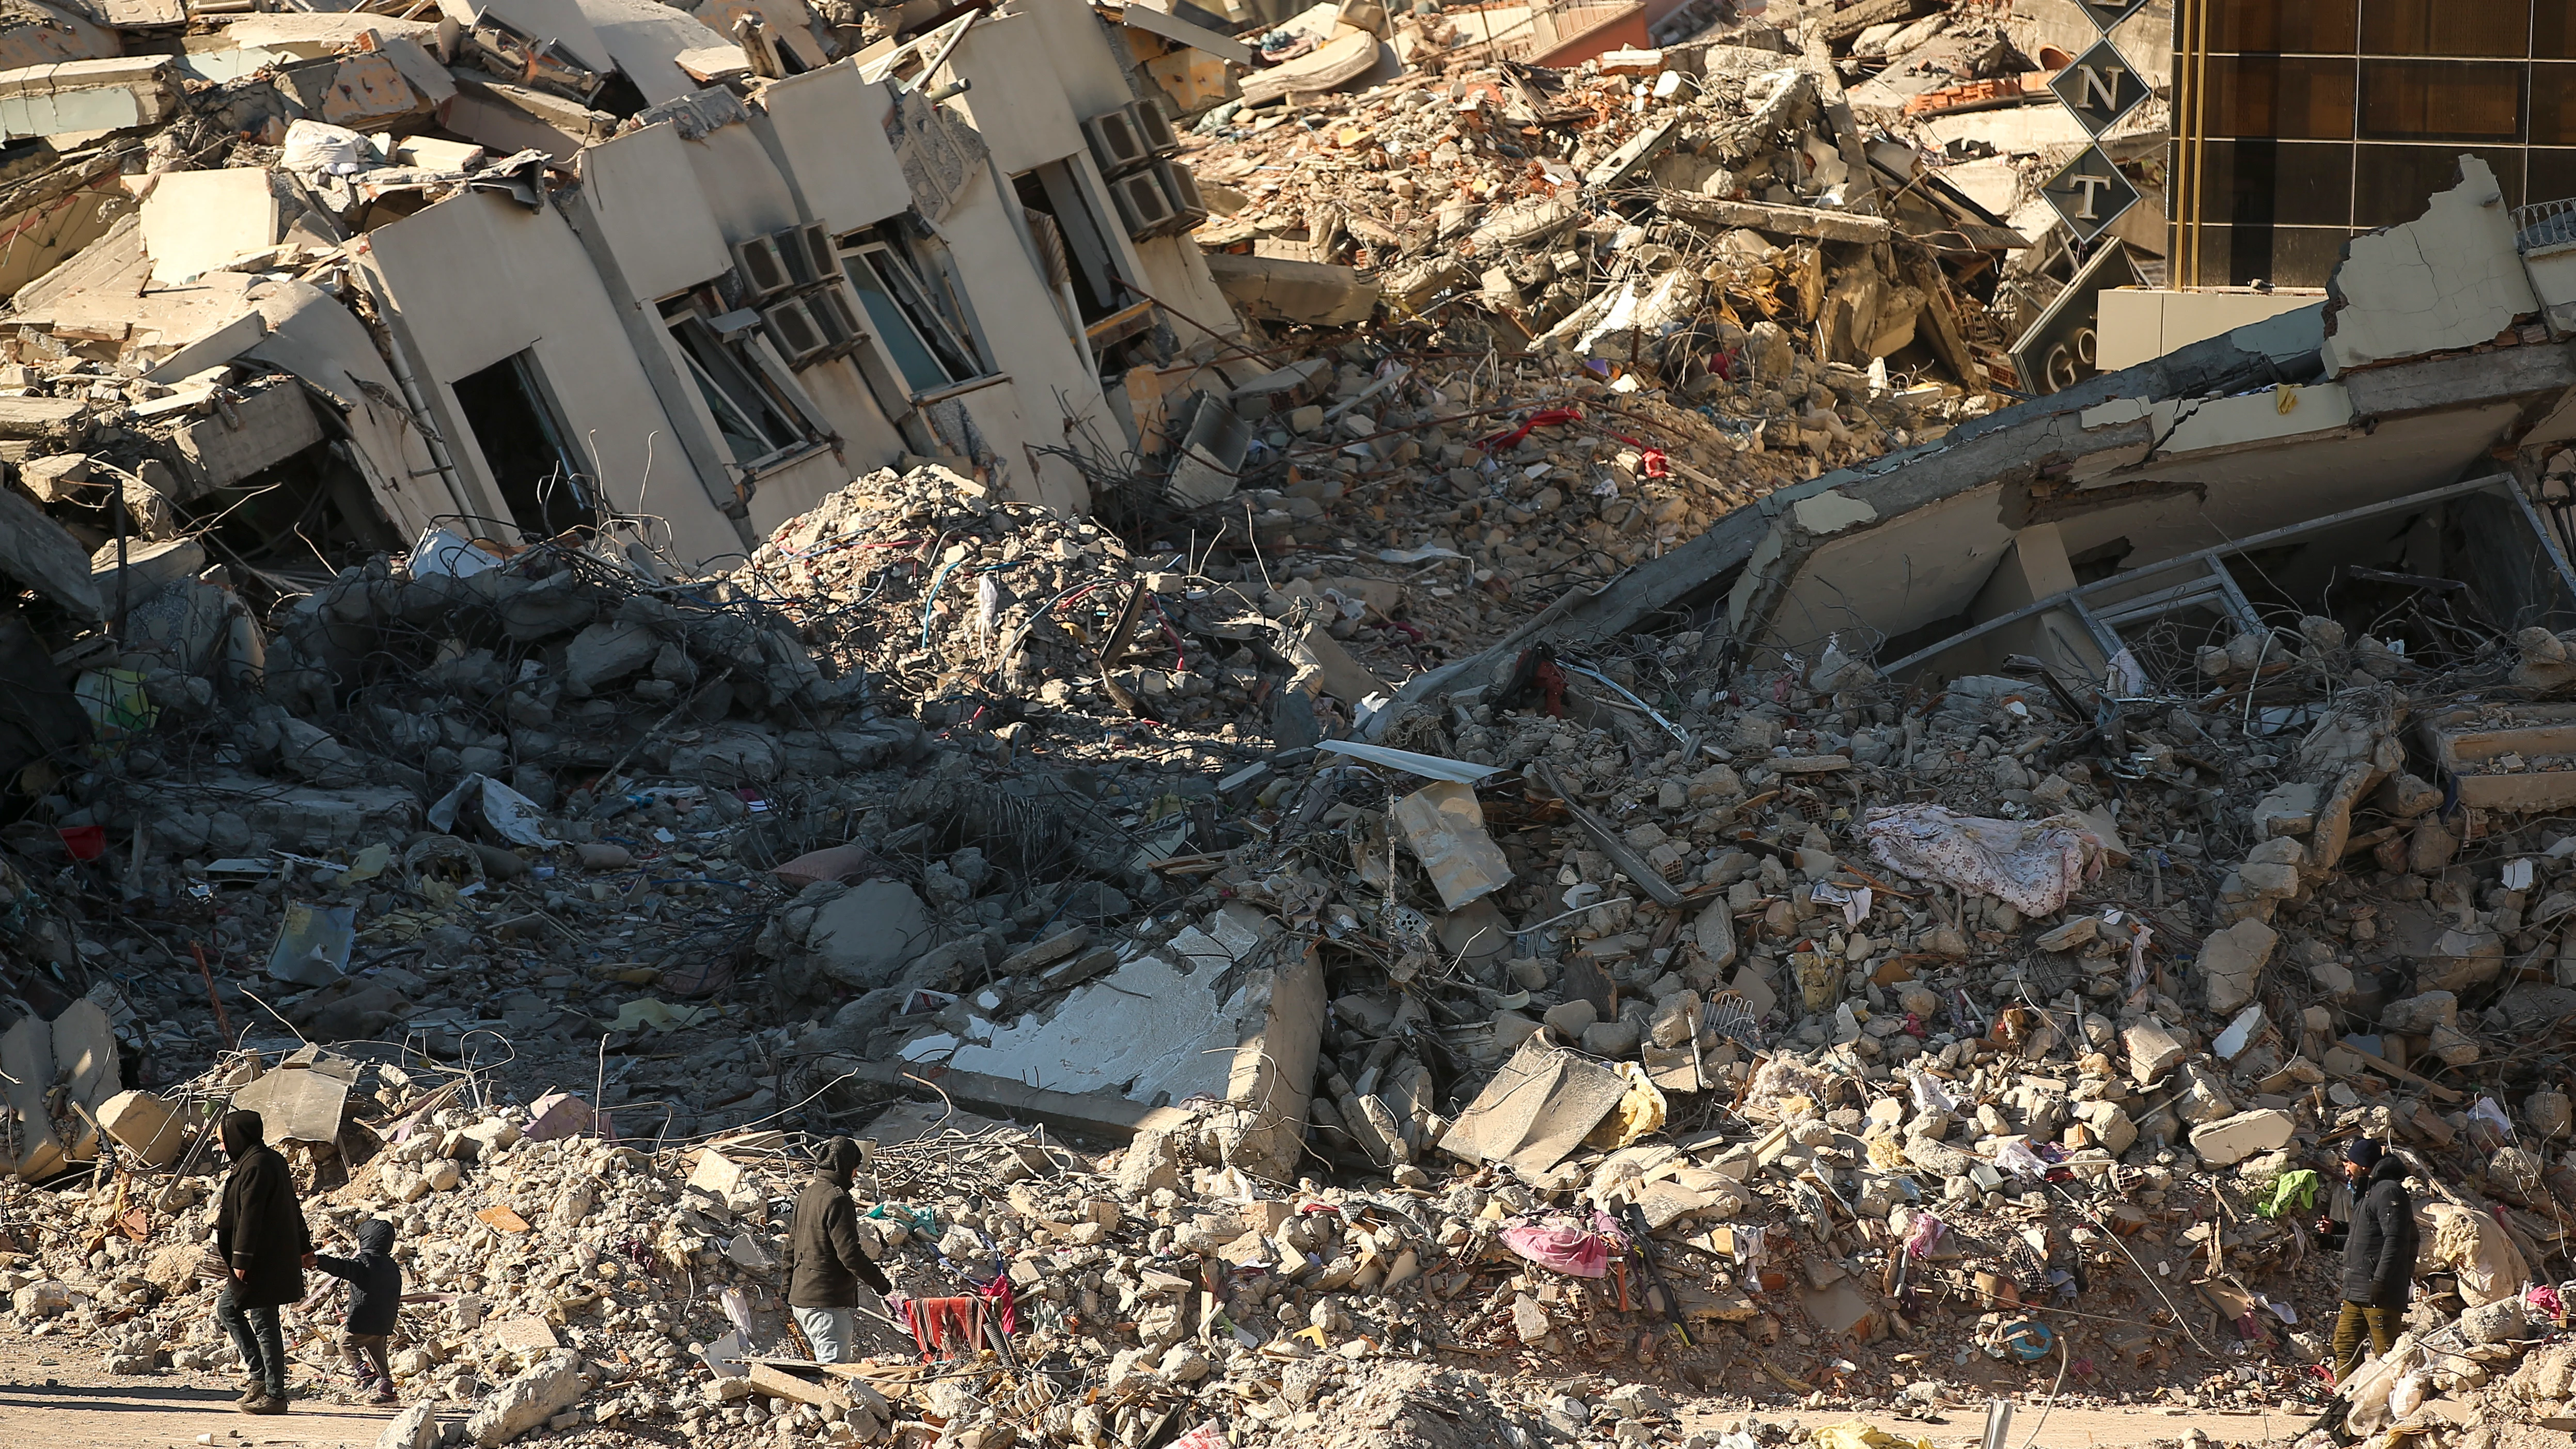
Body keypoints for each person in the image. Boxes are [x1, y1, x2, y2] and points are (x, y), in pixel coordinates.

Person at [212, 1110, 314, 1414]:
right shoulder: (267, 1160)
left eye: (222, 1140)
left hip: (260, 1259)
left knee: (264, 1323)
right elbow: (292, 1207)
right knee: (228, 1309)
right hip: (266, 1256)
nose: (221, 1146)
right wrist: (304, 1245)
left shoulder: (256, 1165)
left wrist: (242, 1259)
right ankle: (259, 1377)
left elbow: (251, 1217)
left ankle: (275, 1395)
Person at [783, 1137, 893, 1363]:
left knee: (825, 1368)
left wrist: (787, 1290)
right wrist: (882, 1286)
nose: (855, 1175)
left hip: (802, 1299)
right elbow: (850, 1255)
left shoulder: (807, 1195)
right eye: (854, 1168)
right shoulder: (838, 1200)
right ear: (845, 1167)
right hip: (825, 1302)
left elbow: (790, 1247)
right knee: (835, 1374)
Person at [2331, 1138, 2417, 1383]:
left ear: (2365, 1166)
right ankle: (2345, 1408)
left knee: (2387, 1356)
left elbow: (2396, 1241)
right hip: (2356, 1289)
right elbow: (2363, 1238)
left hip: (2380, 1291)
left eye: (2350, 1162)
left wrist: (2381, 1281)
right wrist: (2332, 1234)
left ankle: (2390, 1413)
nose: (2346, 1168)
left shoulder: (2389, 1192)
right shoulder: (2367, 1191)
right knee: (2345, 1346)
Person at [313, 1219, 402, 1404]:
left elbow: (342, 1267)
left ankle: (364, 1374)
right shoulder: (392, 1265)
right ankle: (387, 1391)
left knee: (345, 1343)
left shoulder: (364, 1262)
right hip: (386, 1320)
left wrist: (318, 1261)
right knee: (377, 1355)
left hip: (364, 1319)